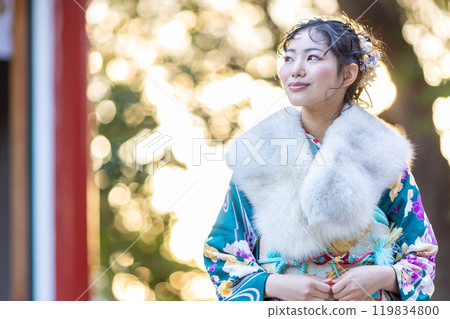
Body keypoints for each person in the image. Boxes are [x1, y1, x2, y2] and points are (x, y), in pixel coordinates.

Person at [203, 16, 438, 301]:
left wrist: (382, 275)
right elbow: (220, 254)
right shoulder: (258, 154)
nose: (296, 70)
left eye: (312, 57)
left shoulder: (384, 156)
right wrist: (272, 284)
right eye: (289, 58)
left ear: (347, 74)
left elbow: (421, 255)